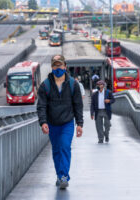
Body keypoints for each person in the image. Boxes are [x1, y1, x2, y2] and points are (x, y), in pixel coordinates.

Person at [37, 54, 83, 189]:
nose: (58, 68)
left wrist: (79, 124)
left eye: (60, 65)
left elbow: (78, 105)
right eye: (55, 65)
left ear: (65, 66)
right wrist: (43, 122)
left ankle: (64, 176)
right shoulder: (45, 86)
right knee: (56, 150)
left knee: (64, 146)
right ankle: (59, 175)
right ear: (52, 67)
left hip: (67, 123)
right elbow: (41, 106)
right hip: (52, 123)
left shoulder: (73, 84)